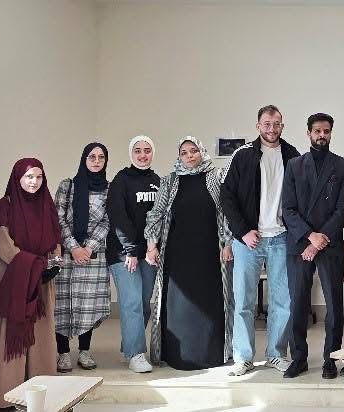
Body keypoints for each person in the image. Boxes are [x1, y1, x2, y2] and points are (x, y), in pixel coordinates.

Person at [221, 105, 301, 376]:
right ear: (258, 126)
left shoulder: (293, 156)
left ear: (282, 126)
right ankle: (243, 357)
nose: (271, 129)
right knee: (244, 301)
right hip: (248, 240)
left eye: (276, 124)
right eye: (267, 124)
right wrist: (243, 231)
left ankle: (276, 355)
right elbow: (227, 197)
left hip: (282, 238)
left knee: (283, 302)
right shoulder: (243, 155)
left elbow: (301, 198)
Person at [144, 137, 235, 371]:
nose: (189, 156)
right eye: (184, 152)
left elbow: (226, 212)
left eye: (193, 151)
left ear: (201, 151)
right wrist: (152, 246)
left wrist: (227, 243)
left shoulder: (215, 177)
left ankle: (212, 353)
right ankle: (178, 356)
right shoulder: (170, 180)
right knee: (179, 306)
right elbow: (156, 214)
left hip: (210, 254)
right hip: (177, 255)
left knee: (211, 303)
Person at [0, 158, 60, 408]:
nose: (34, 182)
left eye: (39, 177)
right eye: (28, 177)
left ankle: (40, 393)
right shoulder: (4, 206)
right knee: (9, 336)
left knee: (40, 334)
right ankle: (6, 395)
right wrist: (35, 267)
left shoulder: (47, 205)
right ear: (17, 178)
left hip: (41, 280)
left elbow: (55, 241)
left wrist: (53, 264)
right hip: (11, 276)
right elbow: (4, 245)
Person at [282, 113, 344, 379]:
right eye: (317, 131)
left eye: (326, 131)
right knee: (298, 303)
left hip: (329, 243)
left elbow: (343, 209)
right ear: (309, 133)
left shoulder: (343, 166)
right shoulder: (294, 165)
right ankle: (298, 358)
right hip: (300, 244)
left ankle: (330, 359)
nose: (321, 135)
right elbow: (288, 208)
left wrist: (320, 239)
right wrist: (309, 237)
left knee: (334, 305)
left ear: (331, 133)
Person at [106, 136, 163, 373]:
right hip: (123, 254)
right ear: (131, 154)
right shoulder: (121, 180)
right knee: (131, 303)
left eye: (147, 150)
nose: (142, 155)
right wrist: (130, 249)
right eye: (137, 151)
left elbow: (160, 218)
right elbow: (118, 216)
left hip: (148, 253)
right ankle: (136, 353)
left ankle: (129, 345)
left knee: (143, 304)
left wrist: (154, 247)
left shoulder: (157, 181)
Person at [54, 143, 112, 372]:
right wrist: (74, 247)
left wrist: (88, 248)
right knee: (63, 304)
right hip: (67, 255)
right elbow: (58, 218)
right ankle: (63, 353)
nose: (96, 161)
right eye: (92, 157)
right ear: (83, 159)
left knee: (88, 305)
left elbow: (107, 221)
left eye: (101, 157)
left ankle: (85, 351)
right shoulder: (67, 185)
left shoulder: (109, 189)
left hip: (93, 255)